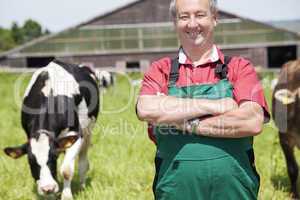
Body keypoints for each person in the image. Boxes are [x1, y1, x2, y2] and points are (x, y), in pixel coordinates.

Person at [136, 0, 270, 199]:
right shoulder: (161, 69)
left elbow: (251, 121)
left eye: (200, 15)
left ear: (214, 18)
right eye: (184, 17)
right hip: (175, 189)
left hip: (235, 190)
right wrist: (216, 105)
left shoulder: (239, 67)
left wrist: (186, 123)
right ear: (175, 22)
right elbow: (146, 109)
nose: (192, 24)